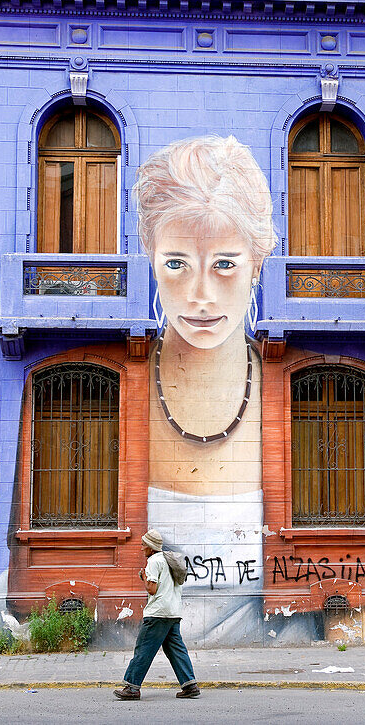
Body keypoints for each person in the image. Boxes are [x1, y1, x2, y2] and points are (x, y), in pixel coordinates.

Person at [134, 135, 277, 638]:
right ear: (150, 257)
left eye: (224, 264)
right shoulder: (116, 392)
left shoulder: (296, 393)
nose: (200, 295)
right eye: (176, 264)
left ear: (256, 263)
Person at [115, 529, 200, 700]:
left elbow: (152, 589)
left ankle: (132, 688)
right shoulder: (169, 560)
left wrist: (145, 576)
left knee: (144, 648)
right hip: (173, 612)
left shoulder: (153, 561)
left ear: (151, 547)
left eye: (143, 545)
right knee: (176, 650)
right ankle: (190, 685)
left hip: (158, 613)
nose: (141, 548)